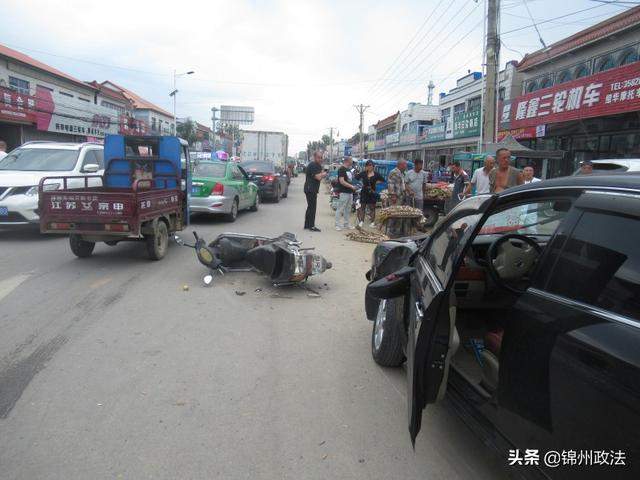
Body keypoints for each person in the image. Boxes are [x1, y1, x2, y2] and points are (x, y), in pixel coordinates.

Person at [303, 150, 327, 231]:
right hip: (311, 189)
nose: (320, 159)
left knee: (310, 207)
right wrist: (324, 174)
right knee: (312, 207)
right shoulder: (314, 165)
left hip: (310, 188)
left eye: (321, 158)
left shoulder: (317, 165)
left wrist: (322, 173)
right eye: (319, 157)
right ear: (314, 157)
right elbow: (318, 177)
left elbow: (319, 175)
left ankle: (307, 224)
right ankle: (311, 226)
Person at [356, 160, 384, 227]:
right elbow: (356, 177)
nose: (369, 167)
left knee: (372, 208)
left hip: (372, 193)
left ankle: (372, 222)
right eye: (368, 165)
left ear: (373, 166)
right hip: (364, 192)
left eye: (371, 165)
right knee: (362, 207)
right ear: (366, 166)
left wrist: (375, 183)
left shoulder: (376, 174)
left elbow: (383, 180)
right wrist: (362, 181)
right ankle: (361, 221)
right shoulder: (363, 173)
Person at [335, 156, 357, 230]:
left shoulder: (349, 169)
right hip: (344, 192)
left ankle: (346, 224)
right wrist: (351, 186)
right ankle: (337, 225)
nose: (352, 161)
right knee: (340, 208)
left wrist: (352, 187)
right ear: (347, 161)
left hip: (350, 192)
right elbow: (342, 181)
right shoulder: (341, 169)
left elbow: (349, 180)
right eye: (351, 160)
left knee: (348, 209)